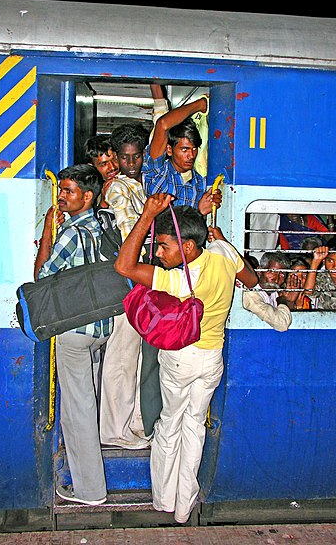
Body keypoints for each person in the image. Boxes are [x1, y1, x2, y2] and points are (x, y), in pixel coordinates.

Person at [114, 192, 258, 524]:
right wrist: (223, 242)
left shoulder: (179, 279)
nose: (160, 253)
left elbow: (124, 266)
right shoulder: (222, 253)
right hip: (212, 360)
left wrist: (148, 215)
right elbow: (250, 279)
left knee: (170, 425)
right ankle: (184, 507)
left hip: (181, 359)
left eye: (164, 246)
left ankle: (164, 501)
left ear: (189, 247)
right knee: (195, 426)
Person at [34, 164, 113, 506]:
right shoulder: (105, 224)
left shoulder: (69, 233)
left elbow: (41, 277)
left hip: (74, 331)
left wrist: (50, 230)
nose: (61, 196)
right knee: (87, 401)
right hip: (101, 327)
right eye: (61, 190)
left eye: (68, 191)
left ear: (88, 196)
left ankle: (90, 491)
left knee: (76, 410)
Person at [99, 122, 153, 448]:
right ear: (117, 158)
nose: (132, 163)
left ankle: (130, 425)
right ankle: (114, 431)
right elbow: (128, 229)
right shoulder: (118, 189)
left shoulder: (138, 185)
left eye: (136, 156)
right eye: (126, 157)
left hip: (139, 281)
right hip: (127, 282)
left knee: (132, 356)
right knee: (121, 357)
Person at [142, 95, 221, 216]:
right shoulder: (157, 173)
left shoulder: (201, 182)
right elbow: (162, 125)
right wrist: (201, 105)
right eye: (185, 149)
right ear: (169, 149)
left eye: (194, 149)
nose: (191, 155)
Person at [242, 251, 296, 330]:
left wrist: (290, 301)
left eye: (282, 274)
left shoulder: (277, 292)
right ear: (260, 271)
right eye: (272, 271)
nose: (276, 279)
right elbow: (282, 324)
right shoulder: (250, 294)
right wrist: (282, 301)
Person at [303, 236, 336, 310]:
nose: (335, 267)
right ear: (324, 260)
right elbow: (307, 293)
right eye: (330, 261)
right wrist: (315, 262)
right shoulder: (323, 278)